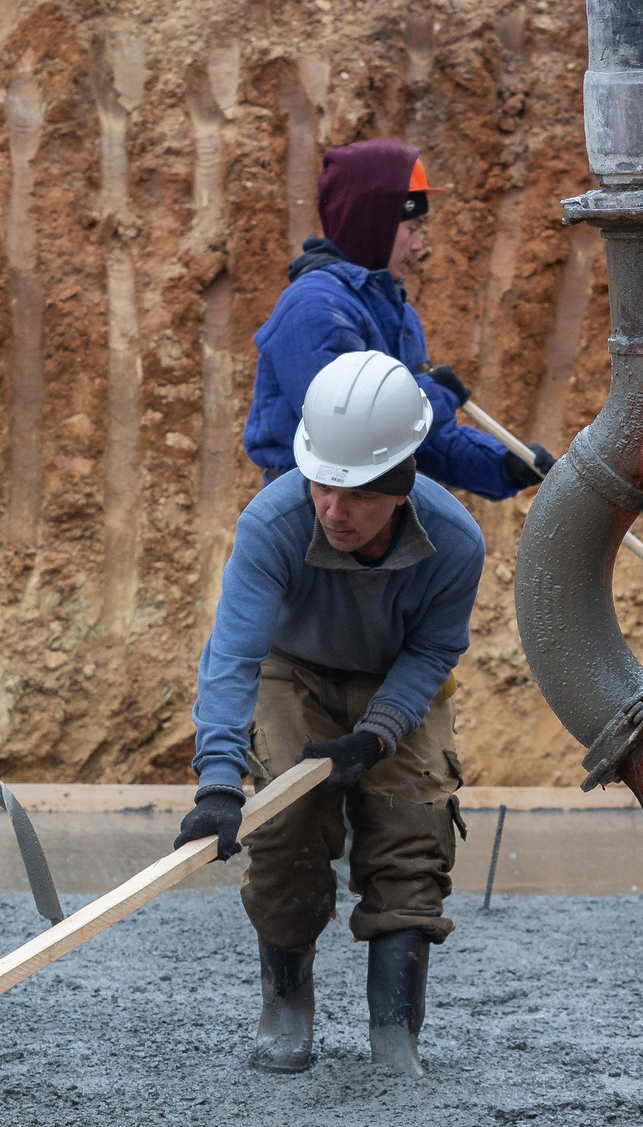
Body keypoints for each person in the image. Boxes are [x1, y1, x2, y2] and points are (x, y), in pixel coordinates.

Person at [179, 350, 487, 1078]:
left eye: (357, 496)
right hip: (294, 669)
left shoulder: (455, 544)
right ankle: (286, 999)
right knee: (285, 821)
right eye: (322, 486)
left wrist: (379, 732)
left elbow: (436, 648)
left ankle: (394, 1032)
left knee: (414, 827)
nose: (333, 509)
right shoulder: (273, 524)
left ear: (402, 485)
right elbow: (234, 655)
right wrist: (219, 782)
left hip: (397, 678)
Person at [243, 140, 554, 500]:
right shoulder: (315, 308)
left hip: (371, 505)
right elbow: (347, 435)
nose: (419, 245)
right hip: (311, 509)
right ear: (375, 223)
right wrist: (433, 398)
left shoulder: (396, 313)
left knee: (461, 547)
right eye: (412, 228)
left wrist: (504, 465)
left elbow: (424, 442)